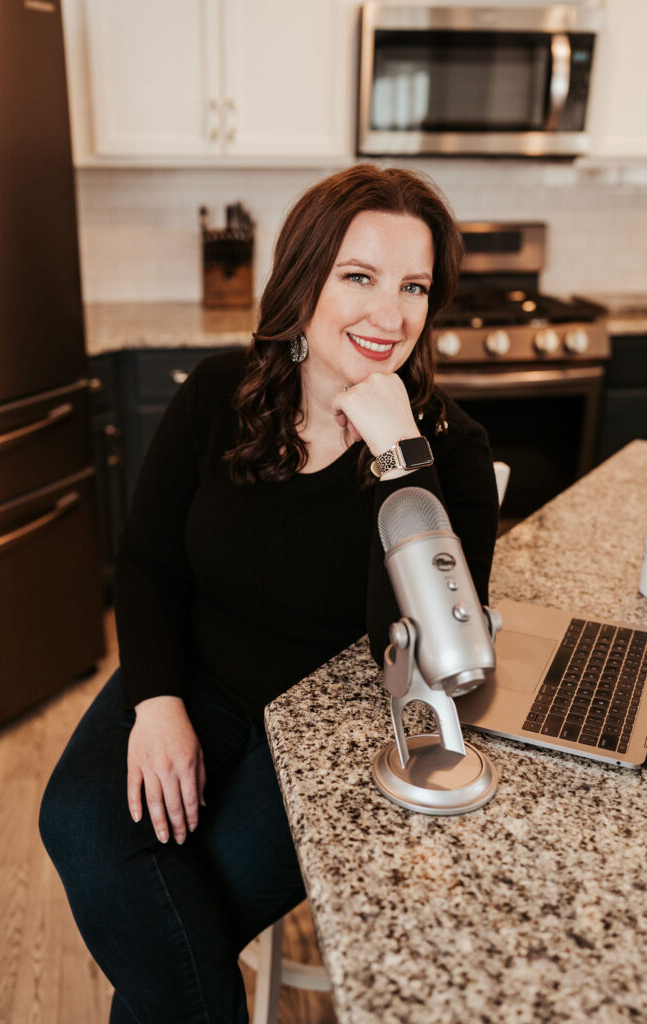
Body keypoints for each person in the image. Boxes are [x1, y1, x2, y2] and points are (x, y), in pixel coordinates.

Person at [40, 164, 499, 1024]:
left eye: (413, 287)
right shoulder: (219, 393)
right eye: (357, 277)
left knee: (169, 920)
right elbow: (145, 563)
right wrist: (158, 703)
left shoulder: (449, 452)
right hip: (196, 670)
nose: (388, 315)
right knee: (78, 825)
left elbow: (418, 653)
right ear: (303, 279)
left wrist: (398, 456)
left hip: (328, 725)